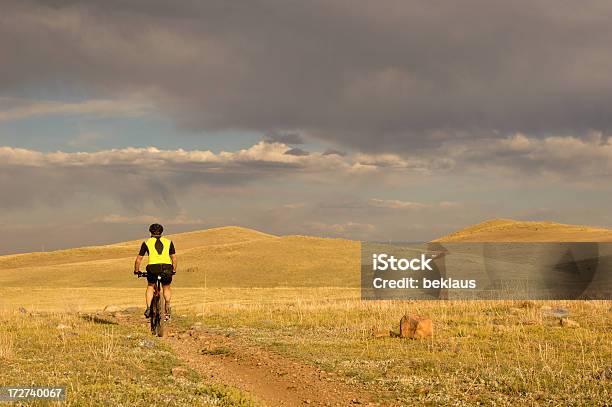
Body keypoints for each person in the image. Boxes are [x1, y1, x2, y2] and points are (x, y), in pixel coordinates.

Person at [134, 223, 177, 320]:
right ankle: (167, 307)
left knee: (150, 286)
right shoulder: (169, 242)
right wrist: (173, 270)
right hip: (167, 267)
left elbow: (138, 260)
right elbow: (174, 258)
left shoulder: (146, 242)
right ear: (162, 232)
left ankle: (149, 308)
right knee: (166, 287)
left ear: (150, 232)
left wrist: (137, 271)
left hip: (153, 268)